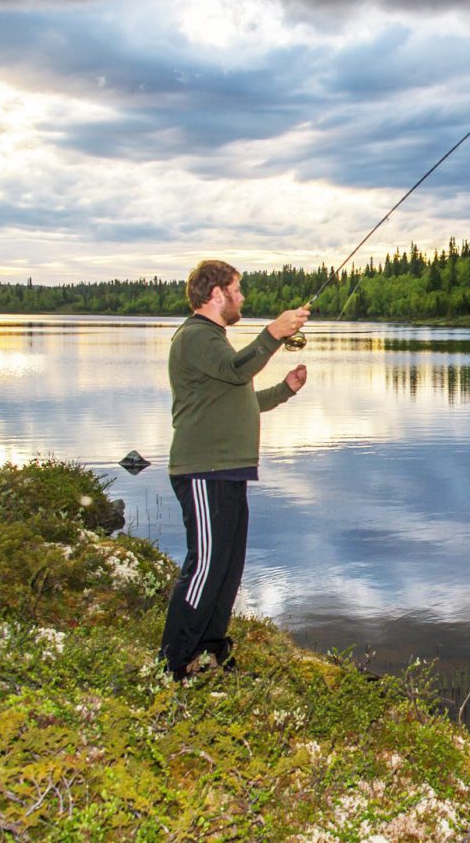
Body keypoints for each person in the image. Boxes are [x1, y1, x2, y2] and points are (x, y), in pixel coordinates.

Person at [160, 259, 310, 681]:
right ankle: (172, 663)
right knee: (206, 565)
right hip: (203, 470)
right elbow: (235, 370)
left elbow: (240, 398)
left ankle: (209, 652)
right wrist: (274, 333)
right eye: (237, 290)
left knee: (227, 567)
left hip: (227, 471)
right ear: (215, 295)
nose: (242, 297)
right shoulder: (196, 337)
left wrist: (285, 390)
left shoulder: (214, 340)